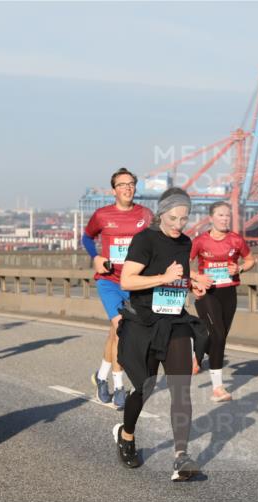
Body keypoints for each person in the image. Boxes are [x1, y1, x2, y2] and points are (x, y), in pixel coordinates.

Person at [114, 187, 212, 481]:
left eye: (184, 218)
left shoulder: (185, 241)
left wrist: (192, 284)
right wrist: (164, 278)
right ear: (161, 213)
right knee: (144, 387)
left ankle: (181, 457)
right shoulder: (144, 239)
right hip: (144, 322)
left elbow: (178, 276)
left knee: (181, 388)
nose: (178, 224)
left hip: (174, 321)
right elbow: (127, 281)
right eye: (173, 218)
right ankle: (126, 434)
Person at [82, 167, 153, 409]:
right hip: (110, 281)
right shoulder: (102, 215)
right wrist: (95, 257)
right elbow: (86, 237)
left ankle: (101, 377)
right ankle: (119, 386)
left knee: (115, 333)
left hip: (135, 283)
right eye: (122, 184)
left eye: (131, 183)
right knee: (122, 329)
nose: (127, 188)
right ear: (114, 190)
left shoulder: (146, 214)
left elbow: (156, 242)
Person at [189, 201, 254, 401]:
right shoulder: (200, 241)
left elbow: (250, 260)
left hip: (228, 292)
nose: (225, 219)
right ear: (211, 218)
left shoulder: (236, 240)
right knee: (217, 334)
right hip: (207, 293)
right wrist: (196, 279)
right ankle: (217, 388)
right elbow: (184, 265)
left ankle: (199, 350)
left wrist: (240, 268)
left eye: (227, 215)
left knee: (221, 336)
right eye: (221, 215)